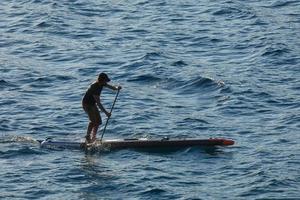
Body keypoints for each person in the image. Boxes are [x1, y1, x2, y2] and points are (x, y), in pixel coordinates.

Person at [82, 73, 121, 143]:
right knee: (93, 121)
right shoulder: (95, 87)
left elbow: (111, 87)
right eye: (105, 80)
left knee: (98, 122)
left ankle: (93, 137)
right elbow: (99, 104)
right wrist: (106, 113)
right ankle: (88, 136)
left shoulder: (102, 84)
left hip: (92, 104)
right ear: (101, 80)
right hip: (87, 104)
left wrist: (116, 88)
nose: (106, 82)